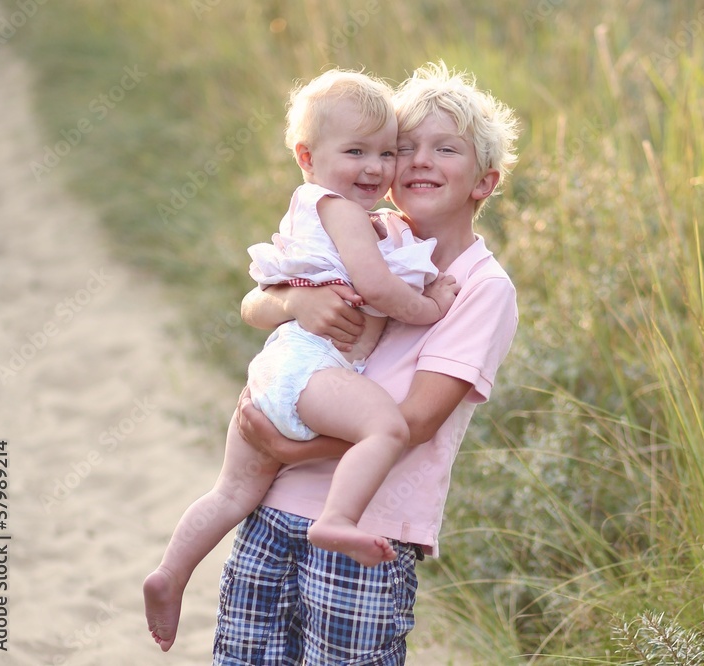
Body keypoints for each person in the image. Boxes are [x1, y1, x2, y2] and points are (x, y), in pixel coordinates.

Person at [212, 61, 520, 665]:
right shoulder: (368, 232)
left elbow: (418, 420)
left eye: (446, 149)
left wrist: (291, 447)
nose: (420, 161)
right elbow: (257, 297)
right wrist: (295, 300)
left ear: (484, 182)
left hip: (370, 526)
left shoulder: (482, 286)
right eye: (405, 148)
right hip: (274, 508)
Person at [143, 68, 460, 652]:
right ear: (307, 156)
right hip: (309, 366)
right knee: (386, 425)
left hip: (280, 371)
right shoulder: (338, 209)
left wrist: (294, 299)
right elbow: (375, 288)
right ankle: (337, 518)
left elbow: (266, 298)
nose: (375, 167)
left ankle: (169, 574)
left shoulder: (336, 214)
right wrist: (430, 306)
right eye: (356, 151)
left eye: (386, 153)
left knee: (232, 493)